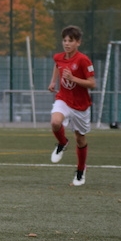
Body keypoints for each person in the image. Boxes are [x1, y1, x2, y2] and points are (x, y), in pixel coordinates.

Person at [47, 25, 95, 186]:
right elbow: (57, 65)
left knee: (80, 139)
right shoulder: (59, 57)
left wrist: (73, 79)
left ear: (78, 42)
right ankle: (62, 143)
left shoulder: (83, 60)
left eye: (71, 41)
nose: (67, 43)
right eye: (65, 40)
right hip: (64, 99)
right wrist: (53, 81)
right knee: (55, 122)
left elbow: (92, 83)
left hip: (80, 105)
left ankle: (81, 170)